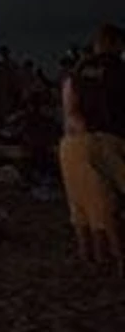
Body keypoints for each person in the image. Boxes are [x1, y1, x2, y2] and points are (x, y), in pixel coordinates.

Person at [60, 24, 125, 275]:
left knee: (84, 206)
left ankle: (94, 257)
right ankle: (120, 260)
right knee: (111, 206)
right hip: (110, 140)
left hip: (73, 143)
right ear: (115, 43)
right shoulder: (119, 70)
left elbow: (70, 112)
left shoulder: (76, 73)